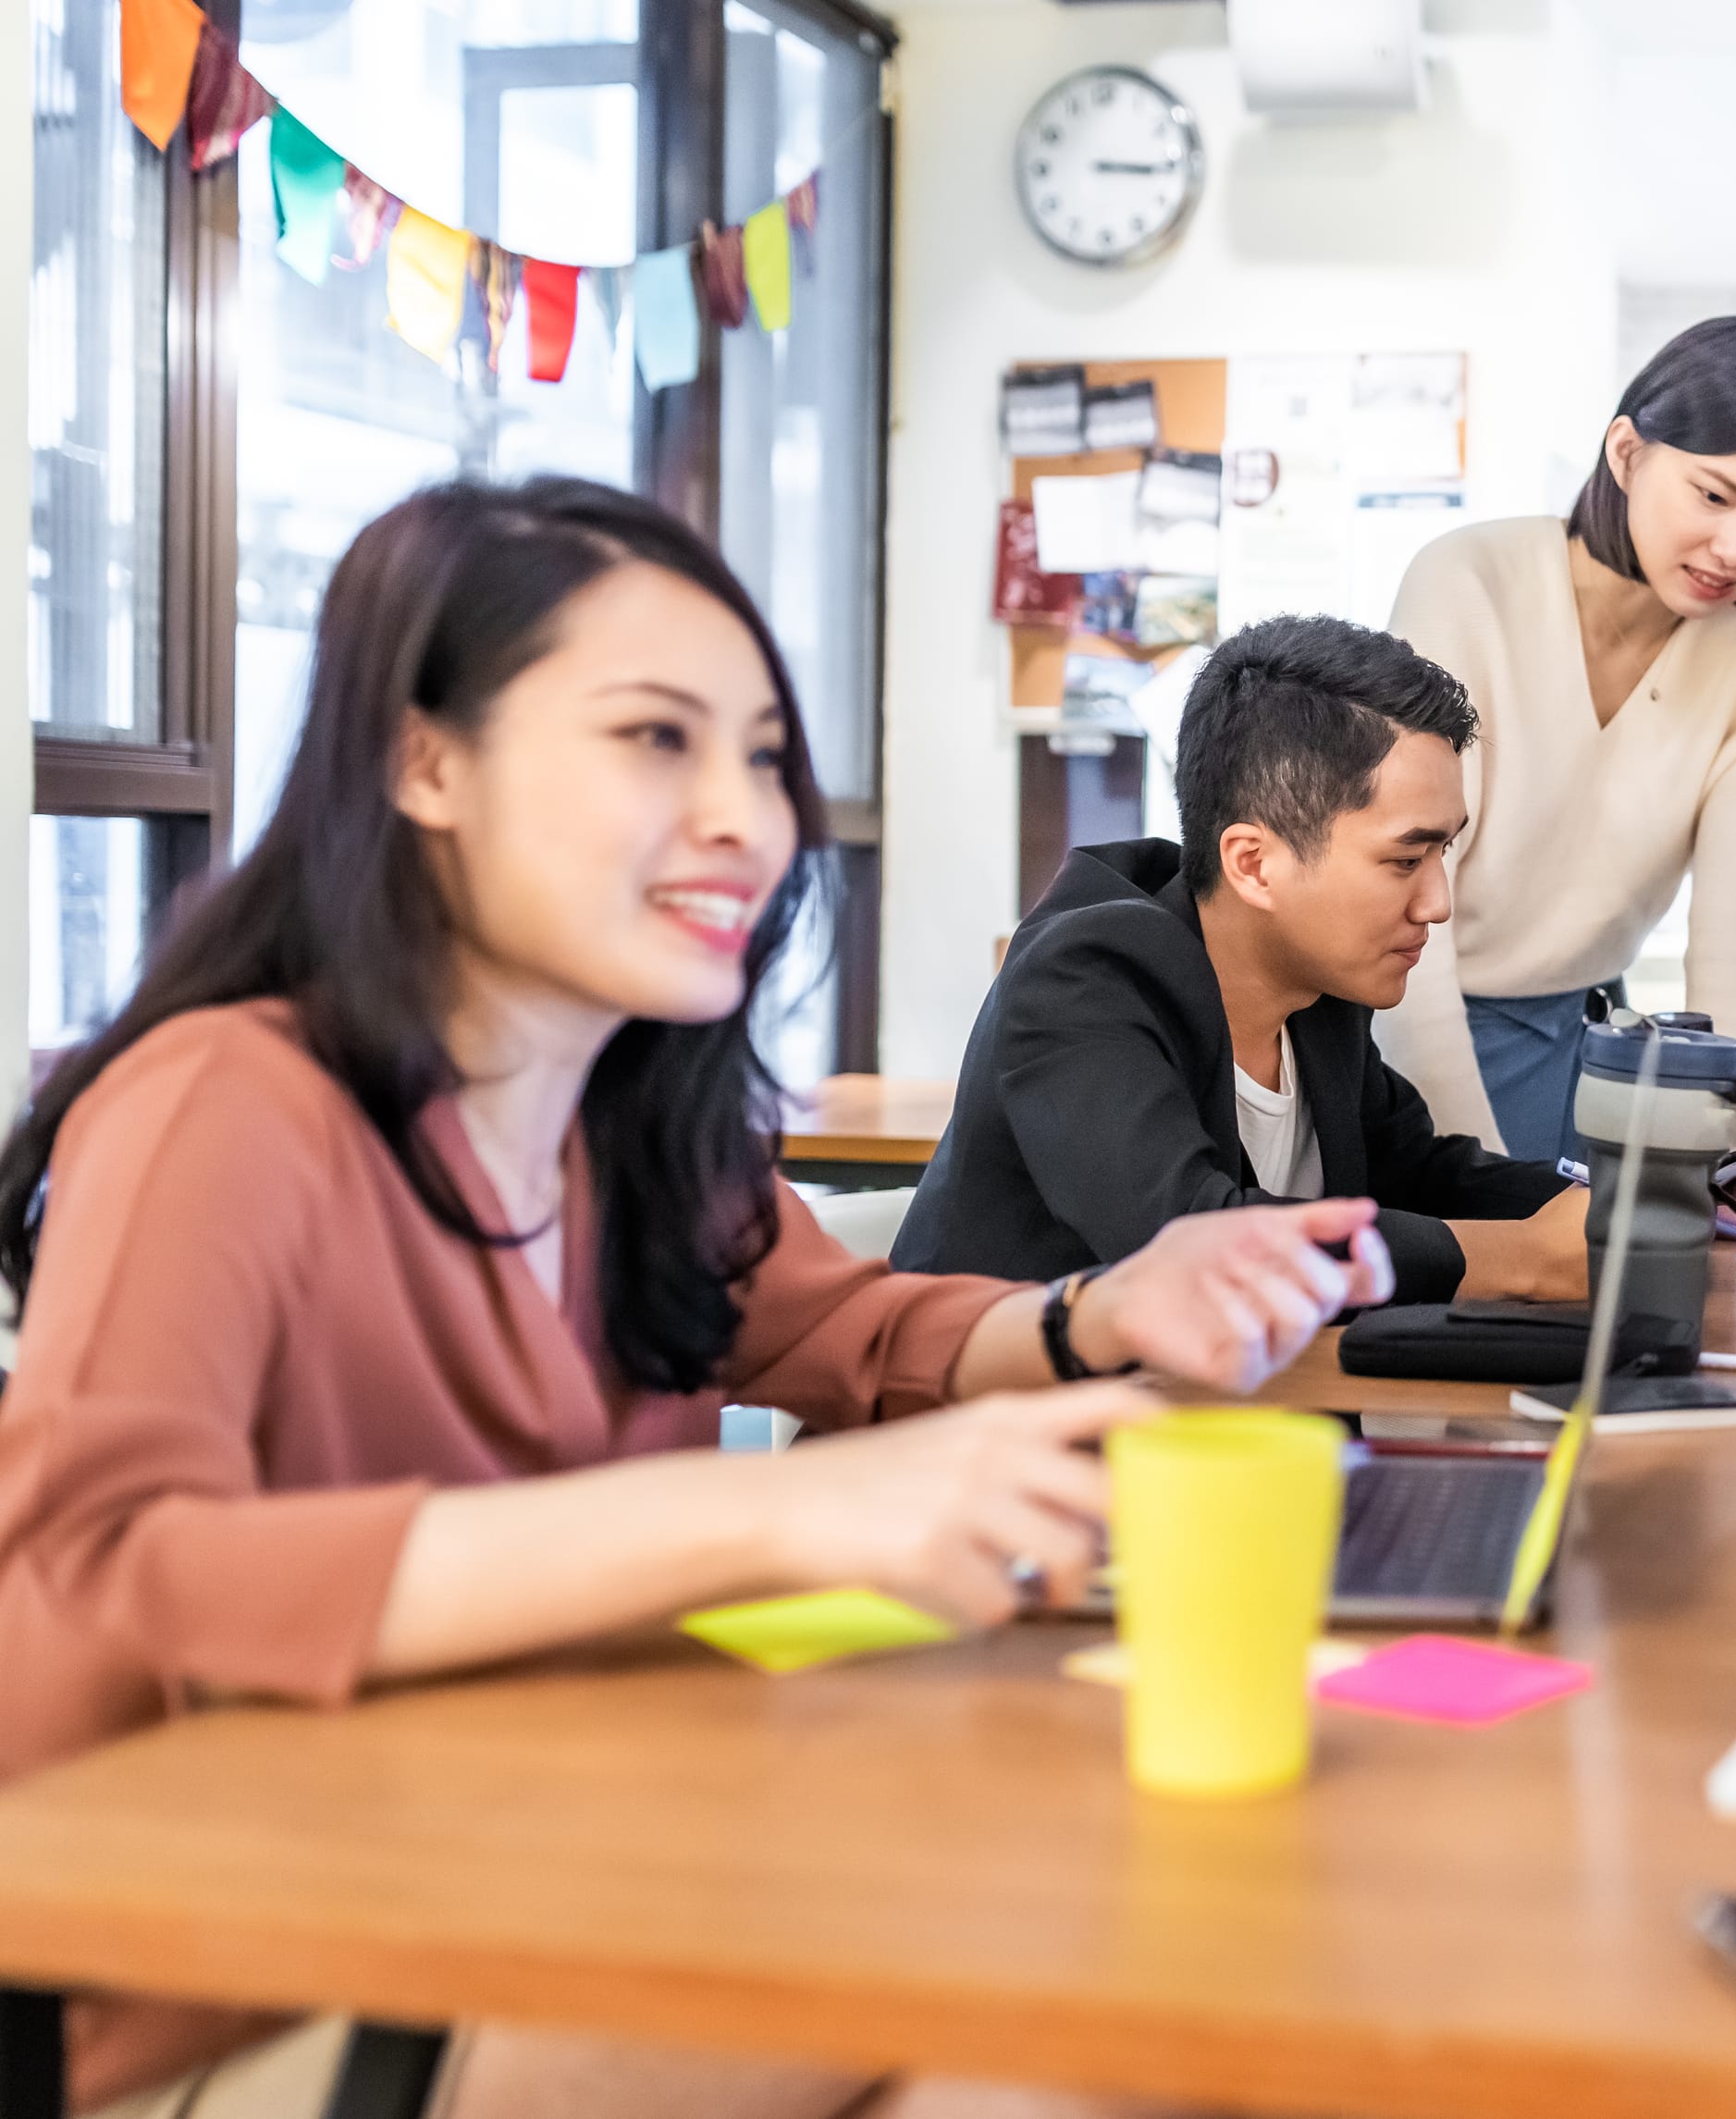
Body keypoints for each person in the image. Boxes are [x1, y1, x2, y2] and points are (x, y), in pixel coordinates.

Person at [0, 479, 1385, 2119]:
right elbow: (116, 1559)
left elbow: (850, 1336)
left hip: (511, 1869)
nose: (748, 817)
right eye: (655, 739)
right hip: (202, 1994)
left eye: (762, 758)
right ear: (423, 760)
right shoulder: (228, 1100)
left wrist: (1101, 1311)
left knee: (1111, 2016)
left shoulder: (638, 1115)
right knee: (1100, 1985)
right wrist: (756, 1524)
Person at [900, 615, 1736, 1306]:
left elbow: (1421, 1170)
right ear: (1253, 861)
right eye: (1403, 857)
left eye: (1443, 853)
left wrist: (1655, 1207)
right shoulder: (1083, 981)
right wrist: (1523, 1259)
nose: (1437, 901)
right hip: (970, 1487)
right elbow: (1191, 1238)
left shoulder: (1318, 996)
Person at [1381, 314, 1736, 1164]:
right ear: (1627, 454)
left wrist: (1729, 1153)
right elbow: (1405, 894)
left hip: (1588, 1041)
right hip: (1413, 1021)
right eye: (1712, 495)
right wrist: (1475, 1177)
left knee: (1632, 1278)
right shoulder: (1467, 582)